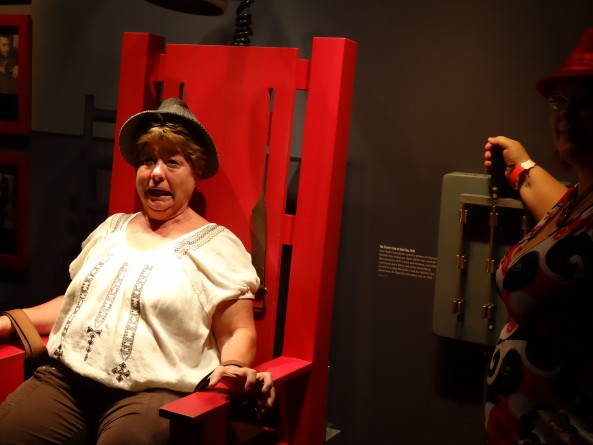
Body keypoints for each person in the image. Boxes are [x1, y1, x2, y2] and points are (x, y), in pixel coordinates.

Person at [0, 97, 275, 444]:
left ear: (196, 172)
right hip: (68, 382)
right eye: (148, 161)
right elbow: (78, 303)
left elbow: (238, 330)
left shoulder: (216, 246)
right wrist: (12, 320)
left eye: (172, 162)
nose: (155, 173)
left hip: (153, 394)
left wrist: (233, 368)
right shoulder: (112, 229)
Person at [483, 29, 593, 444]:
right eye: (560, 101)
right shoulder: (576, 200)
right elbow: (560, 215)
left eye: (586, 103)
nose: (566, 115)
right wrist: (519, 165)